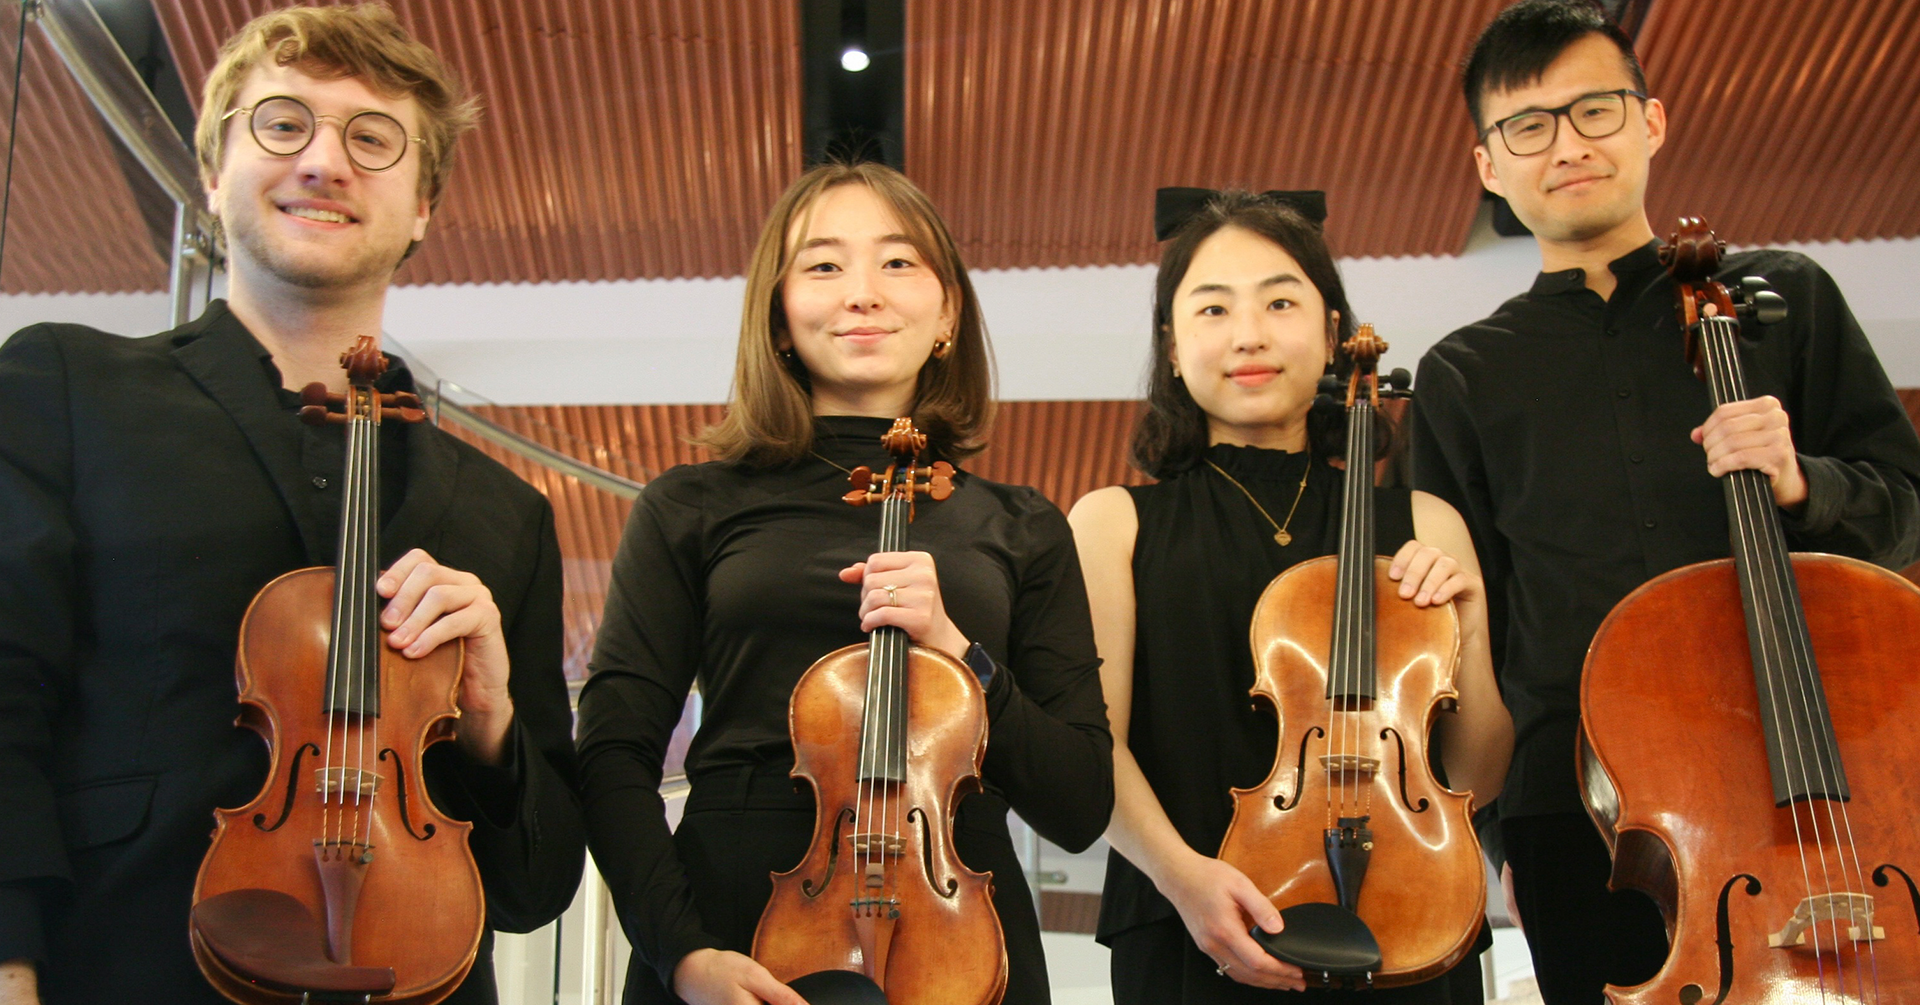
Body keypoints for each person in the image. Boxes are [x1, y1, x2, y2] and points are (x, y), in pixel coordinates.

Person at [0, 6, 586, 1003]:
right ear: (212, 174)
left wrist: (488, 722)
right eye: (282, 124)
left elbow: (534, 889)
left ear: (424, 207)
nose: (324, 161)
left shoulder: (505, 513)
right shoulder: (63, 384)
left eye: (372, 138)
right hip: (126, 969)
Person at [1412, 3, 1920, 1002]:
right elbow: (1479, 626)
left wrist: (1805, 484)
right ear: (1488, 166)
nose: (1567, 145)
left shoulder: (1785, 298)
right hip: (1584, 814)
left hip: (1826, 775)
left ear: (1652, 122)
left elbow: (1907, 503)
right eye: (1530, 125)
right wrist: (1495, 822)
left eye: (1595, 110)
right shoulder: (1460, 377)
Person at [575, 160, 1115, 1005]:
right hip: (731, 925)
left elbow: (1081, 801)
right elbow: (612, 750)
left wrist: (958, 652)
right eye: (823, 264)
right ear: (781, 315)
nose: (862, 291)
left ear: (947, 311)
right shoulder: (690, 504)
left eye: (898, 262)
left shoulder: (1022, 523)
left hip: (959, 936)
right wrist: (679, 951)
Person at [1070, 190, 1512, 1005]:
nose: (1250, 334)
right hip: (1187, 921)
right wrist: (1186, 880)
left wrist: (1471, 629)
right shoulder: (1113, 525)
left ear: (1334, 334)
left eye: (1281, 300)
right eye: (1212, 308)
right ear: (1171, 347)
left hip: (1411, 909)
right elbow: (1092, 745)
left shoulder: (1421, 523)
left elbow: (1472, 779)